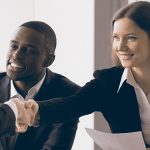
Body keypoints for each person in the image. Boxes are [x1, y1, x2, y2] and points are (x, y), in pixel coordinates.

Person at [23, 1, 150, 149]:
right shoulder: (108, 83)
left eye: (131, 38)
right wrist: (31, 110)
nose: (120, 47)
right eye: (116, 37)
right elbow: (70, 105)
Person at [0, 21, 80, 150]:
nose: (16, 55)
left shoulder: (68, 94)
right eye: (14, 46)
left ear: (48, 60)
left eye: (30, 51)